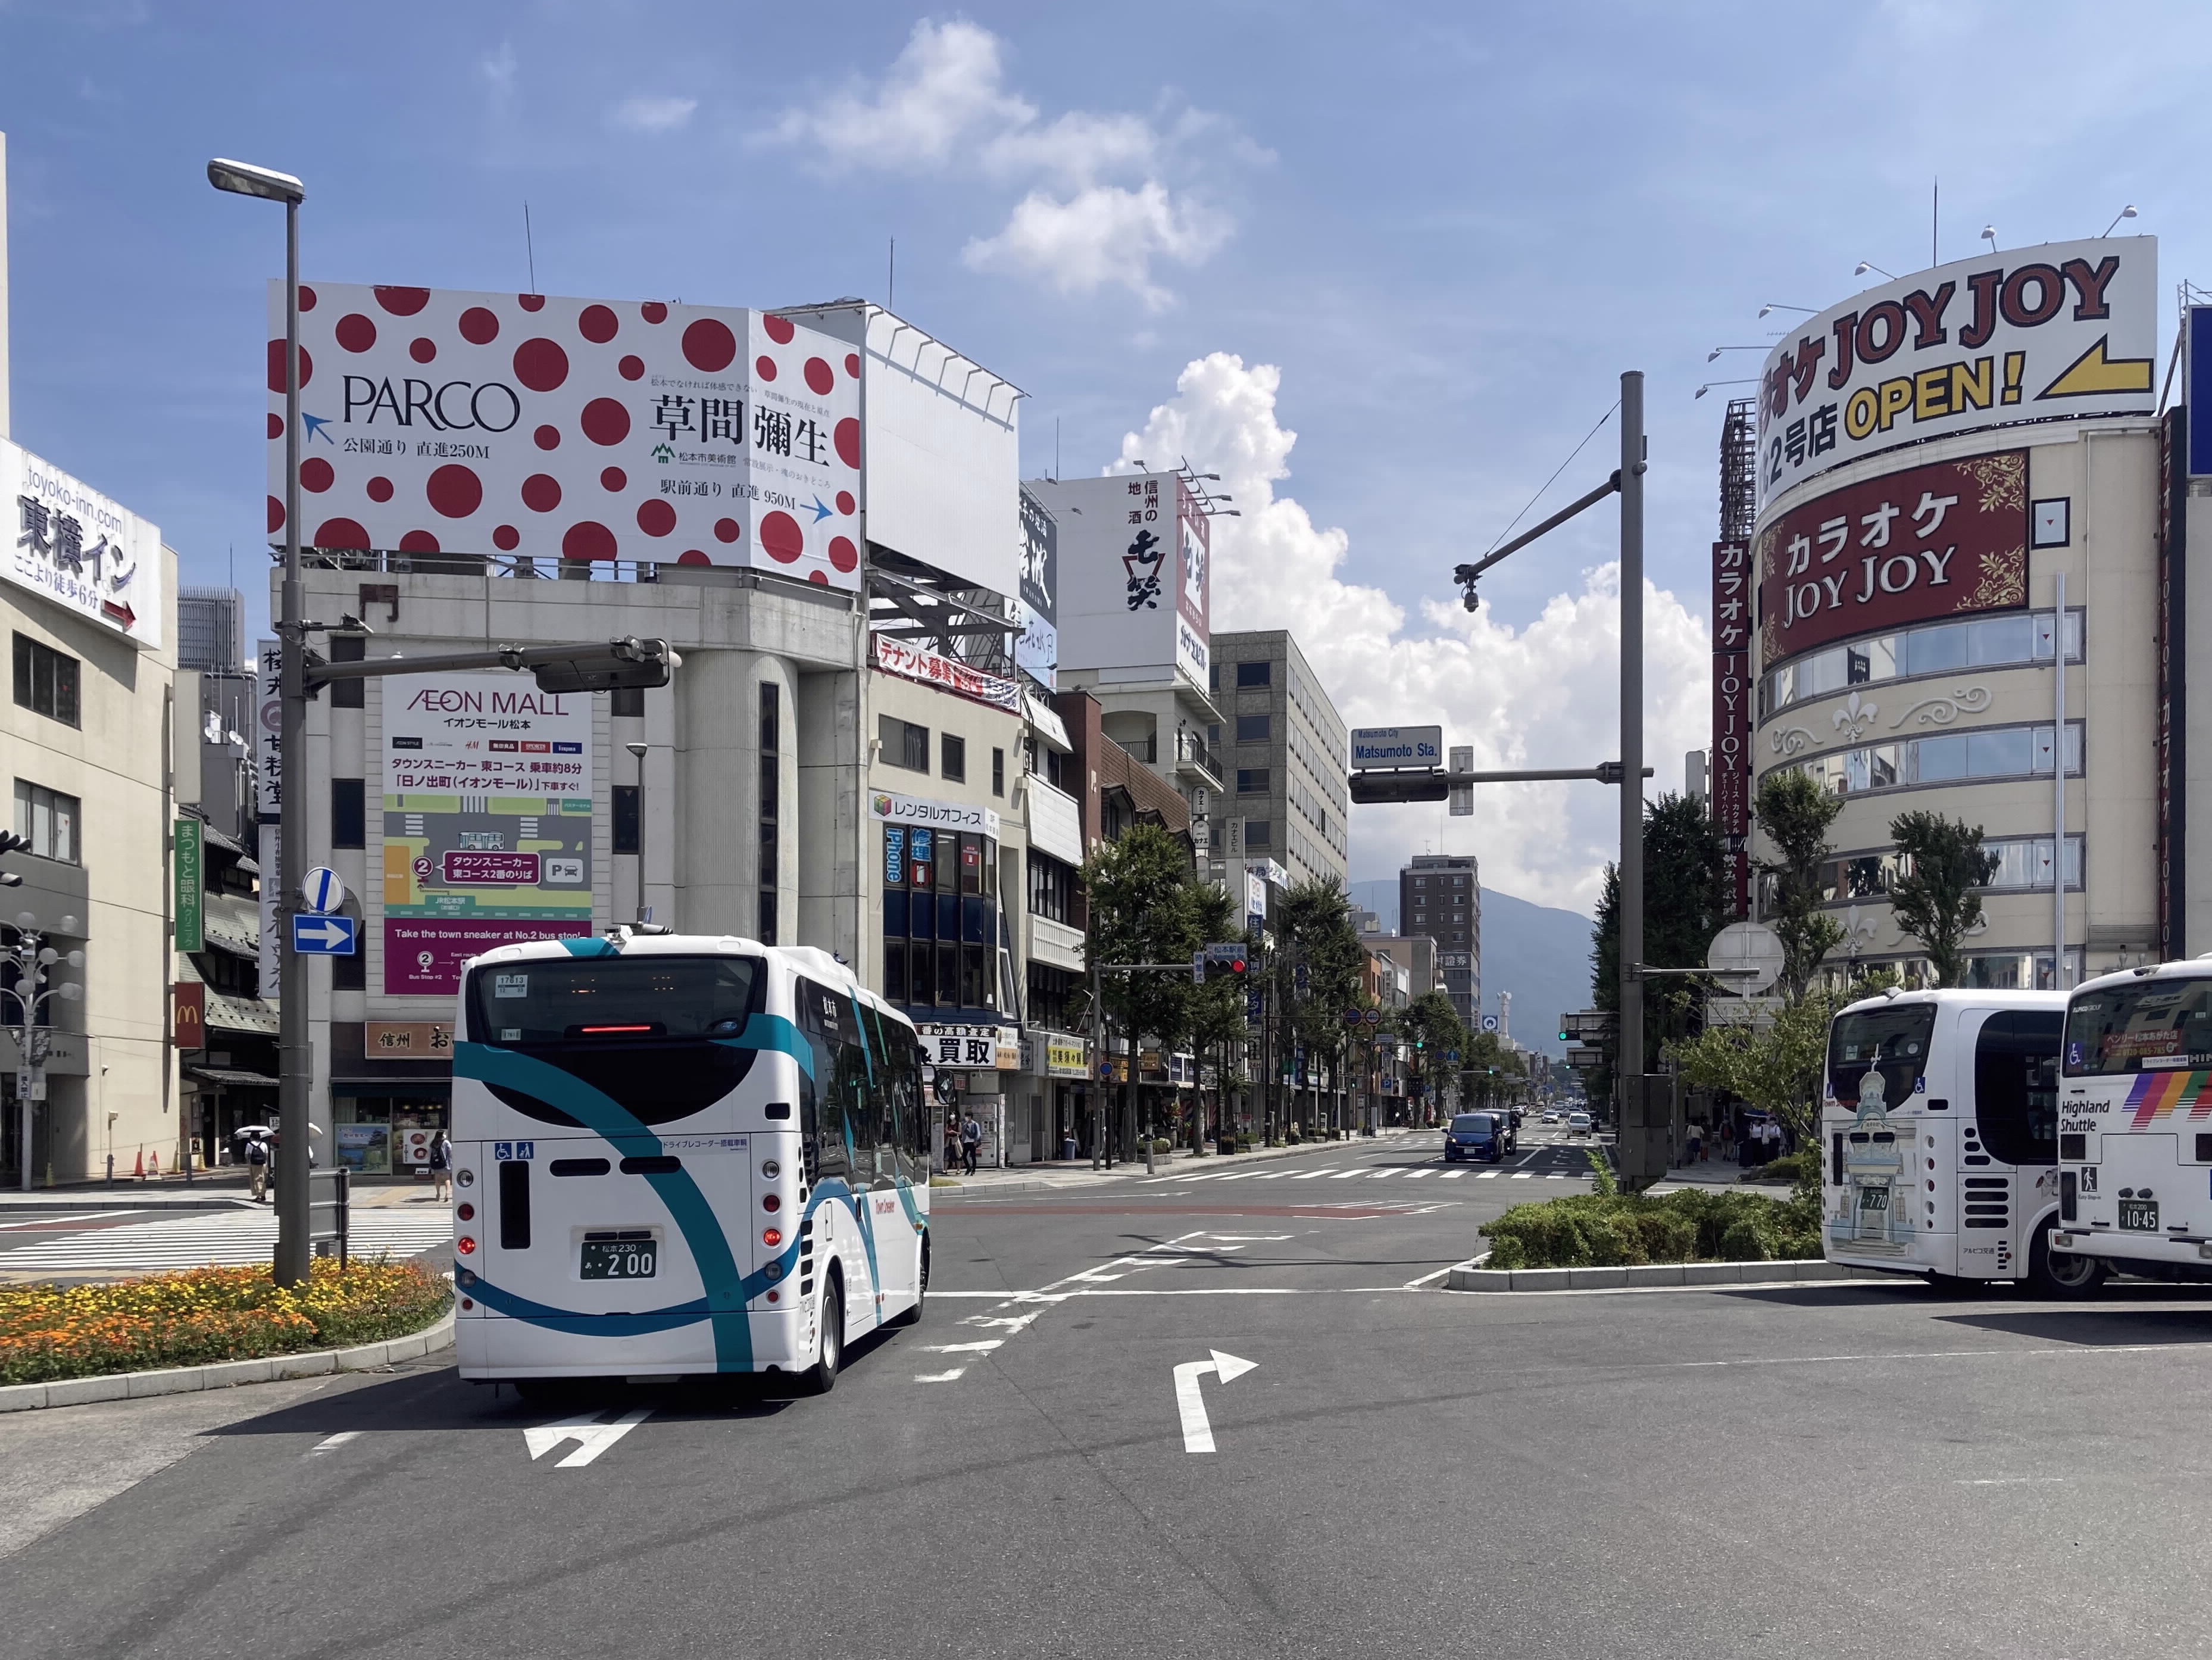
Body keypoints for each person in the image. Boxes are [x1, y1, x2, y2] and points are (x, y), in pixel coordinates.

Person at [429, 1130, 453, 1202]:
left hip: (436, 1164)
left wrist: (430, 1162)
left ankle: (438, 1194)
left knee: (437, 1180)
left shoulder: (433, 1143)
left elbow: (429, 1154)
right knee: (447, 1179)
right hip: (445, 1164)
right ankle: (447, 1194)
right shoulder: (446, 1142)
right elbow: (451, 1152)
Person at [245, 1135, 269, 1203]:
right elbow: (266, 1154)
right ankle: (263, 1194)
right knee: (263, 1178)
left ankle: (259, 1195)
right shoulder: (264, 1144)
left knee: (256, 1178)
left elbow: (247, 1155)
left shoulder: (249, 1144)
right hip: (263, 1163)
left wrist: (248, 1162)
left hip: (254, 1164)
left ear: (252, 1138)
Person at [960, 1110, 982, 1175]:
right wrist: (962, 1141)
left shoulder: (975, 1124)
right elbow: (963, 1134)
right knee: (964, 1156)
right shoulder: (964, 1125)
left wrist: (976, 1141)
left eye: (968, 1116)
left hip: (972, 1142)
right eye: (966, 1116)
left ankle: (974, 1170)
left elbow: (978, 1134)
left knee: (973, 1156)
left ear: (971, 1117)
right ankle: (968, 1167)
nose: (967, 1117)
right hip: (966, 1142)